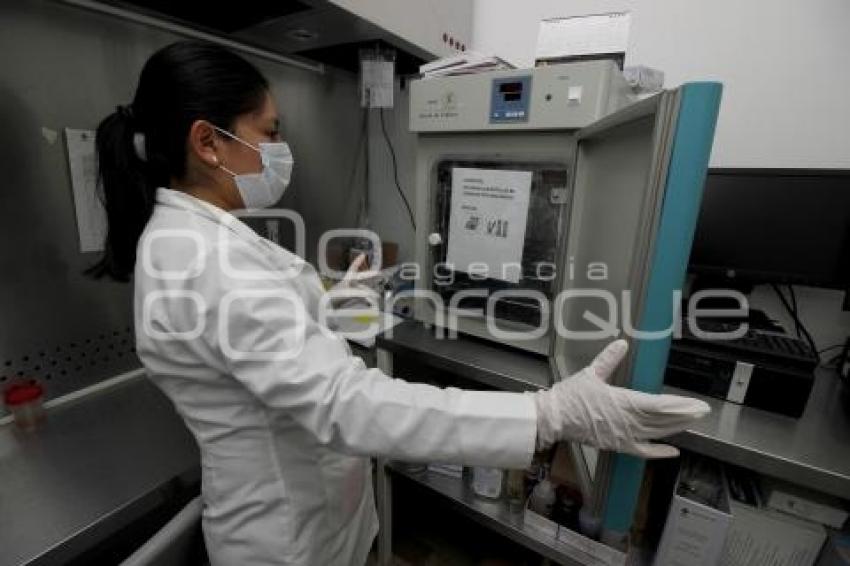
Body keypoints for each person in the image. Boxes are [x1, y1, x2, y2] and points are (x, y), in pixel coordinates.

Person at [90, 40, 709, 566]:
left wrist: (322, 309)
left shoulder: (194, 238)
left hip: (315, 516)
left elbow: (253, 355)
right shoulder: (202, 256)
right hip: (287, 542)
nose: (281, 149)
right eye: (270, 132)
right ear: (209, 142)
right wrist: (545, 416)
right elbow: (346, 405)